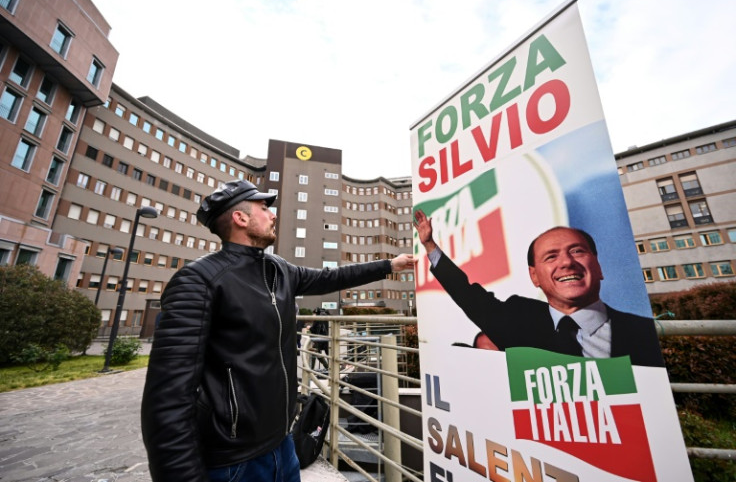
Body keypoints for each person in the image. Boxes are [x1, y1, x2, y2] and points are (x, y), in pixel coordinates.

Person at [141, 180, 416, 482]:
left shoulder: (279, 270)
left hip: (283, 446)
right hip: (233, 462)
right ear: (241, 218)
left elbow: (331, 277)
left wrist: (390, 265)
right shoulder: (199, 281)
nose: (272, 215)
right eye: (263, 208)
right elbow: (166, 399)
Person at [413, 209, 664, 368]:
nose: (567, 262)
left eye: (577, 251)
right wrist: (430, 246)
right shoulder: (518, 318)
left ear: (598, 266)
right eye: (551, 257)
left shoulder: (642, 334)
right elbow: (468, 294)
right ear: (535, 276)